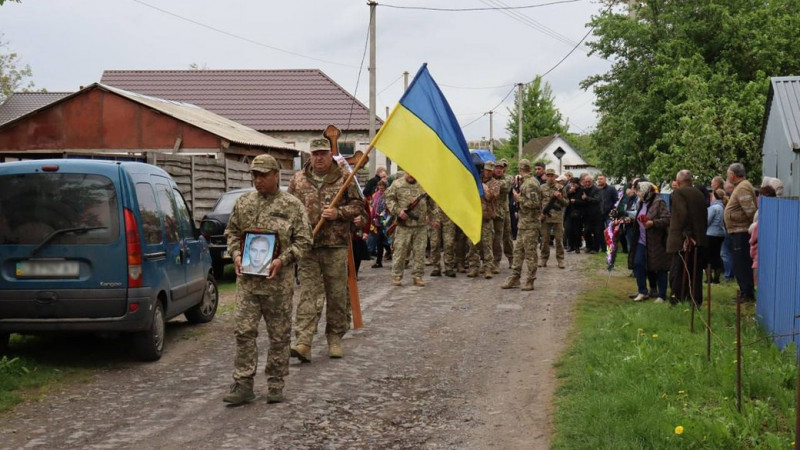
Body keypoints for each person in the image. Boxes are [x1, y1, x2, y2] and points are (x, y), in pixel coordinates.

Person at [223, 154, 312, 406]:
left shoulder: (292, 205)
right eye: (254, 175)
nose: (258, 180)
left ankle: (275, 383)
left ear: (276, 175)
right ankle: (243, 383)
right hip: (248, 285)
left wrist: (282, 259)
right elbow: (231, 232)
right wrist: (237, 254)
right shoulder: (244, 203)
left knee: (279, 335)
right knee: (243, 332)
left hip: (278, 285)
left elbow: (304, 241)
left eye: (263, 175)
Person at [289, 137, 365, 362]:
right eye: (315, 154)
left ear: (330, 154)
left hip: (335, 245)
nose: (319, 158)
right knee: (308, 294)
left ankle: (334, 338)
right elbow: (289, 208)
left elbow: (359, 205)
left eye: (323, 153)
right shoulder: (298, 179)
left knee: (336, 294)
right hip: (308, 246)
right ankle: (303, 341)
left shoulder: (344, 178)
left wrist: (338, 214)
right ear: (309, 156)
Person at [667, 170, 708, 307]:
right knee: (695, 272)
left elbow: (682, 214)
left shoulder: (679, 193)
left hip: (683, 240)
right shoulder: (699, 194)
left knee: (677, 272)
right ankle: (695, 301)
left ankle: (676, 300)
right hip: (700, 239)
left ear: (678, 182)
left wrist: (687, 234)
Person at [385, 171, 433, 286]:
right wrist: (398, 211)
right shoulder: (397, 184)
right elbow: (389, 199)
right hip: (403, 226)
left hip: (420, 225)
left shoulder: (424, 184)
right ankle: (396, 275)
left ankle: (418, 276)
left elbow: (432, 203)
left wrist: (433, 218)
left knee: (419, 252)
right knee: (400, 251)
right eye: (410, 174)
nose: (412, 177)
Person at [501, 159, 542, 291]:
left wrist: (519, 199)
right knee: (518, 252)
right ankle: (515, 277)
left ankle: (530, 280)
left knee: (530, 254)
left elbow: (535, 203)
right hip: (523, 223)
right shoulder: (526, 182)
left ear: (520, 169)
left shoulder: (530, 183)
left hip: (530, 224)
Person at [628, 181, 671, 302]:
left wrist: (653, 223)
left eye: (639, 191)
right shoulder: (642, 202)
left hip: (656, 241)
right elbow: (639, 218)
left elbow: (667, 219)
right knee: (638, 264)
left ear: (647, 191)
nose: (638, 193)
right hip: (641, 240)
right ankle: (642, 291)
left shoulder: (659, 202)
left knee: (659, 267)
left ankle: (662, 295)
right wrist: (631, 220)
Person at [723, 162, 757, 302]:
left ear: (733, 175)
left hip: (741, 231)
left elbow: (750, 211)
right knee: (739, 262)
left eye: (728, 173)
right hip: (737, 230)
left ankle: (747, 293)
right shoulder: (741, 187)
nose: (727, 176)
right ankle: (745, 291)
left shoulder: (743, 188)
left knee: (742, 263)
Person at [467, 161, 501, 278]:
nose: (488, 173)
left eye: (490, 171)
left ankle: (488, 268)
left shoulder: (495, 183)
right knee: (473, 243)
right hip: (474, 216)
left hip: (487, 216)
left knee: (487, 244)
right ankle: (473, 267)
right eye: (487, 170)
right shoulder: (475, 181)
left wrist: (486, 190)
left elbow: (493, 197)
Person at [539, 168, 568, 268]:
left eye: (552, 176)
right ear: (546, 176)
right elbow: (538, 202)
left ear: (555, 177)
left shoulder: (560, 187)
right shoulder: (541, 187)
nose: (550, 177)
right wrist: (540, 213)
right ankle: (543, 259)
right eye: (548, 175)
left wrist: (560, 198)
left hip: (557, 217)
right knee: (545, 240)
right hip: (545, 217)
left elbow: (566, 203)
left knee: (559, 239)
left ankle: (560, 260)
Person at [749, 185, 777, 286]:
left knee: (758, 270)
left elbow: (756, 229)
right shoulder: (775, 208)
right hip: (765, 246)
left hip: (760, 247)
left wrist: (752, 232)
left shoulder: (763, 210)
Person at [492, 159, 515, 270]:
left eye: (501, 168)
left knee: (507, 237)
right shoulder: (489, 178)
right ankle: (495, 261)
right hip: (491, 211)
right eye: (497, 168)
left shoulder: (508, 178)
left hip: (504, 212)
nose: (499, 170)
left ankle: (511, 258)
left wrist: (493, 184)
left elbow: (506, 187)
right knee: (494, 238)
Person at [574, 174, 602, 253]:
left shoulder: (597, 190)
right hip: (586, 215)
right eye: (586, 181)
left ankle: (595, 248)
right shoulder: (583, 189)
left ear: (592, 181)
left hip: (596, 214)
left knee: (596, 232)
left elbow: (597, 200)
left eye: (589, 181)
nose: (587, 183)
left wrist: (587, 198)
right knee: (586, 231)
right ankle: (588, 246)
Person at [370, 179, 392, 268]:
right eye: (379, 187)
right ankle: (379, 261)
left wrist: (384, 213)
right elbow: (374, 206)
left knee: (386, 241)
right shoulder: (377, 195)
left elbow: (390, 207)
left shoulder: (389, 195)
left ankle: (389, 256)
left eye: (383, 187)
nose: (381, 189)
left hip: (387, 221)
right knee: (379, 241)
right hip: (378, 220)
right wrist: (372, 217)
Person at [706, 189, 726, 283]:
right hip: (721, 233)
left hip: (711, 233)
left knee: (708, 256)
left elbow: (707, 221)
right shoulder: (723, 206)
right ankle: (717, 278)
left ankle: (709, 278)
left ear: (714, 196)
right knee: (717, 255)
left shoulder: (713, 207)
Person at [596, 174, 618, 252]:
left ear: (605, 180)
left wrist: (613, 211)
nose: (599, 180)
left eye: (601, 179)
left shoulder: (611, 189)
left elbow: (616, 201)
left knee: (610, 231)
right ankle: (603, 248)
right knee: (600, 231)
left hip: (609, 213)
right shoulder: (596, 190)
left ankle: (611, 247)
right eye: (598, 179)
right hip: (599, 214)